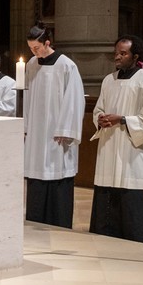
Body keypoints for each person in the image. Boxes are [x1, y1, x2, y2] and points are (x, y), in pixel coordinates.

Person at [89, 35, 143, 245]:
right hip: (110, 149)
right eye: (116, 53)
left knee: (132, 206)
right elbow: (99, 109)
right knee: (107, 198)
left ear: (135, 56)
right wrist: (100, 119)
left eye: (123, 53)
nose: (118, 57)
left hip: (133, 154)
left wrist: (121, 119)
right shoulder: (108, 80)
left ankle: (137, 245)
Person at [22, 24, 85, 228]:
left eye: (36, 48)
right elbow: (26, 97)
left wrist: (66, 129)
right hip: (36, 132)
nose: (34, 52)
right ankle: (36, 220)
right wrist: (25, 126)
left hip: (57, 133)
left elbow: (74, 99)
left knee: (57, 172)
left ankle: (58, 222)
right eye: (31, 48)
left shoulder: (66, 66)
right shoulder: (32, 64)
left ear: (47, 43)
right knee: (36, 174)